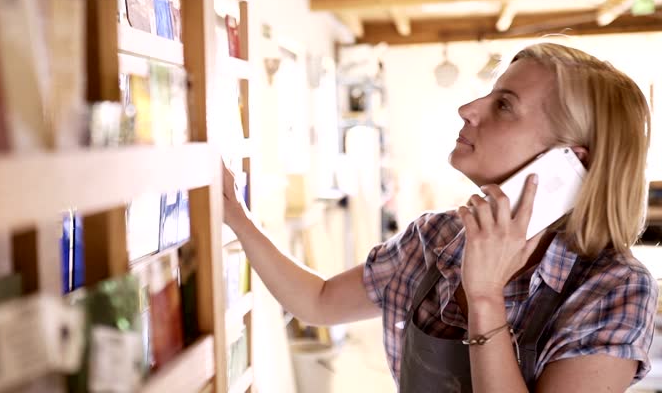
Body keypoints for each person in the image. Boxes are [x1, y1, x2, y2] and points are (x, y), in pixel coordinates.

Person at [222, 42, 657, 392]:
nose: (467, 108)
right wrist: (236, 216)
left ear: (568, 161)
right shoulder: (436, 236)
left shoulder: (614, 287)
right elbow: (316, 302)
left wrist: (484, 296)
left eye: (504, 105)